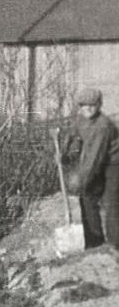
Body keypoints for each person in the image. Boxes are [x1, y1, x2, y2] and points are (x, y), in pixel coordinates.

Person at [63, 86, 119, 249]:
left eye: (92, 105)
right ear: (79, 106)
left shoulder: (103, 126)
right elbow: (75, 139)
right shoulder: (80, 120)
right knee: (87, 198)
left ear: (99, 105)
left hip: (113, 165)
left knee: (111, 203)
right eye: (83, 105)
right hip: (96, 160)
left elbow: (95, 158)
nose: (87, 108)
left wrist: (81, 180)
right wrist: (65, 155)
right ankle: (94, 241)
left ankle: (115, 245)